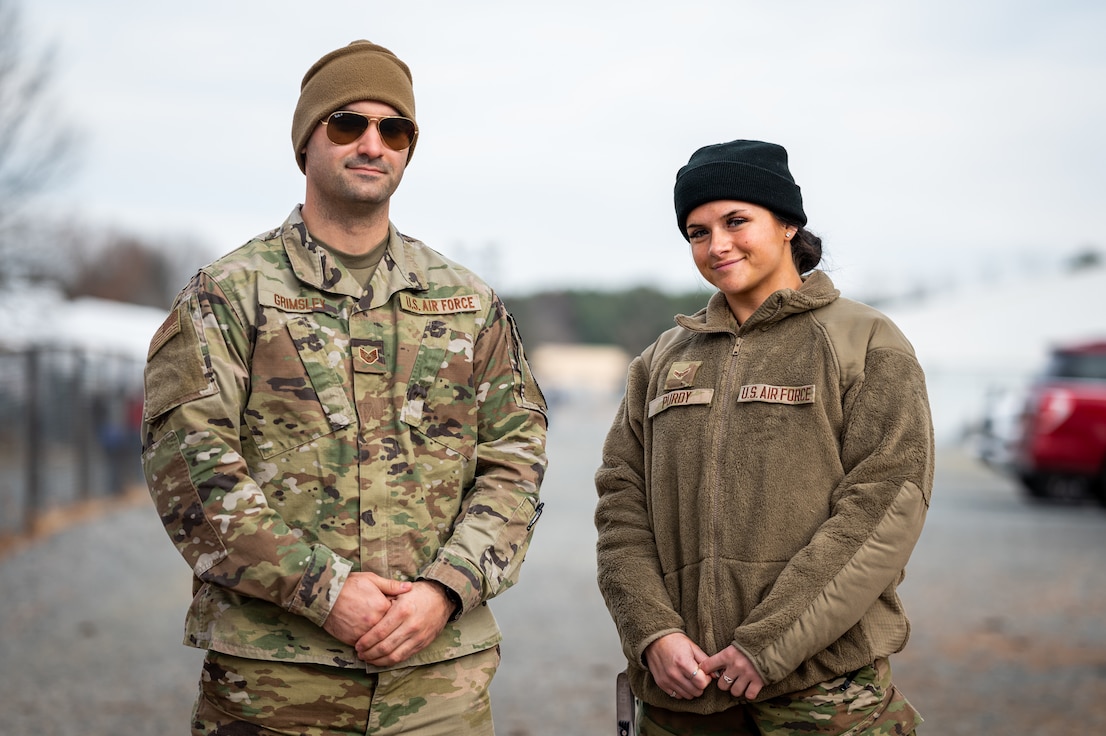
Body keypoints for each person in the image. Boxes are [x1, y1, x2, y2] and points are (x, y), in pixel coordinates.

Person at [141, 40, 548, 736]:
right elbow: (192, 474)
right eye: (346, 124)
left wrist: (446, 589)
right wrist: (325, 591)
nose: (372, 144)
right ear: (307, 142)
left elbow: (517, 459)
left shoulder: (466, 302)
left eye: (394, 130)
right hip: (275, 689)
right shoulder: (230, 295)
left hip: (439, 689)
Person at [594, 139, 932, 735]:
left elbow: (883, 509)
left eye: (735, 221)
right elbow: (622, 508)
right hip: (684, 699)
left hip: (822, 696)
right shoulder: (659, 362)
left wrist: (768, 644)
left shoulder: (866, 343)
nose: (716, 245)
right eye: (697, 232)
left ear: (786, 225)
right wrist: (652, 633)